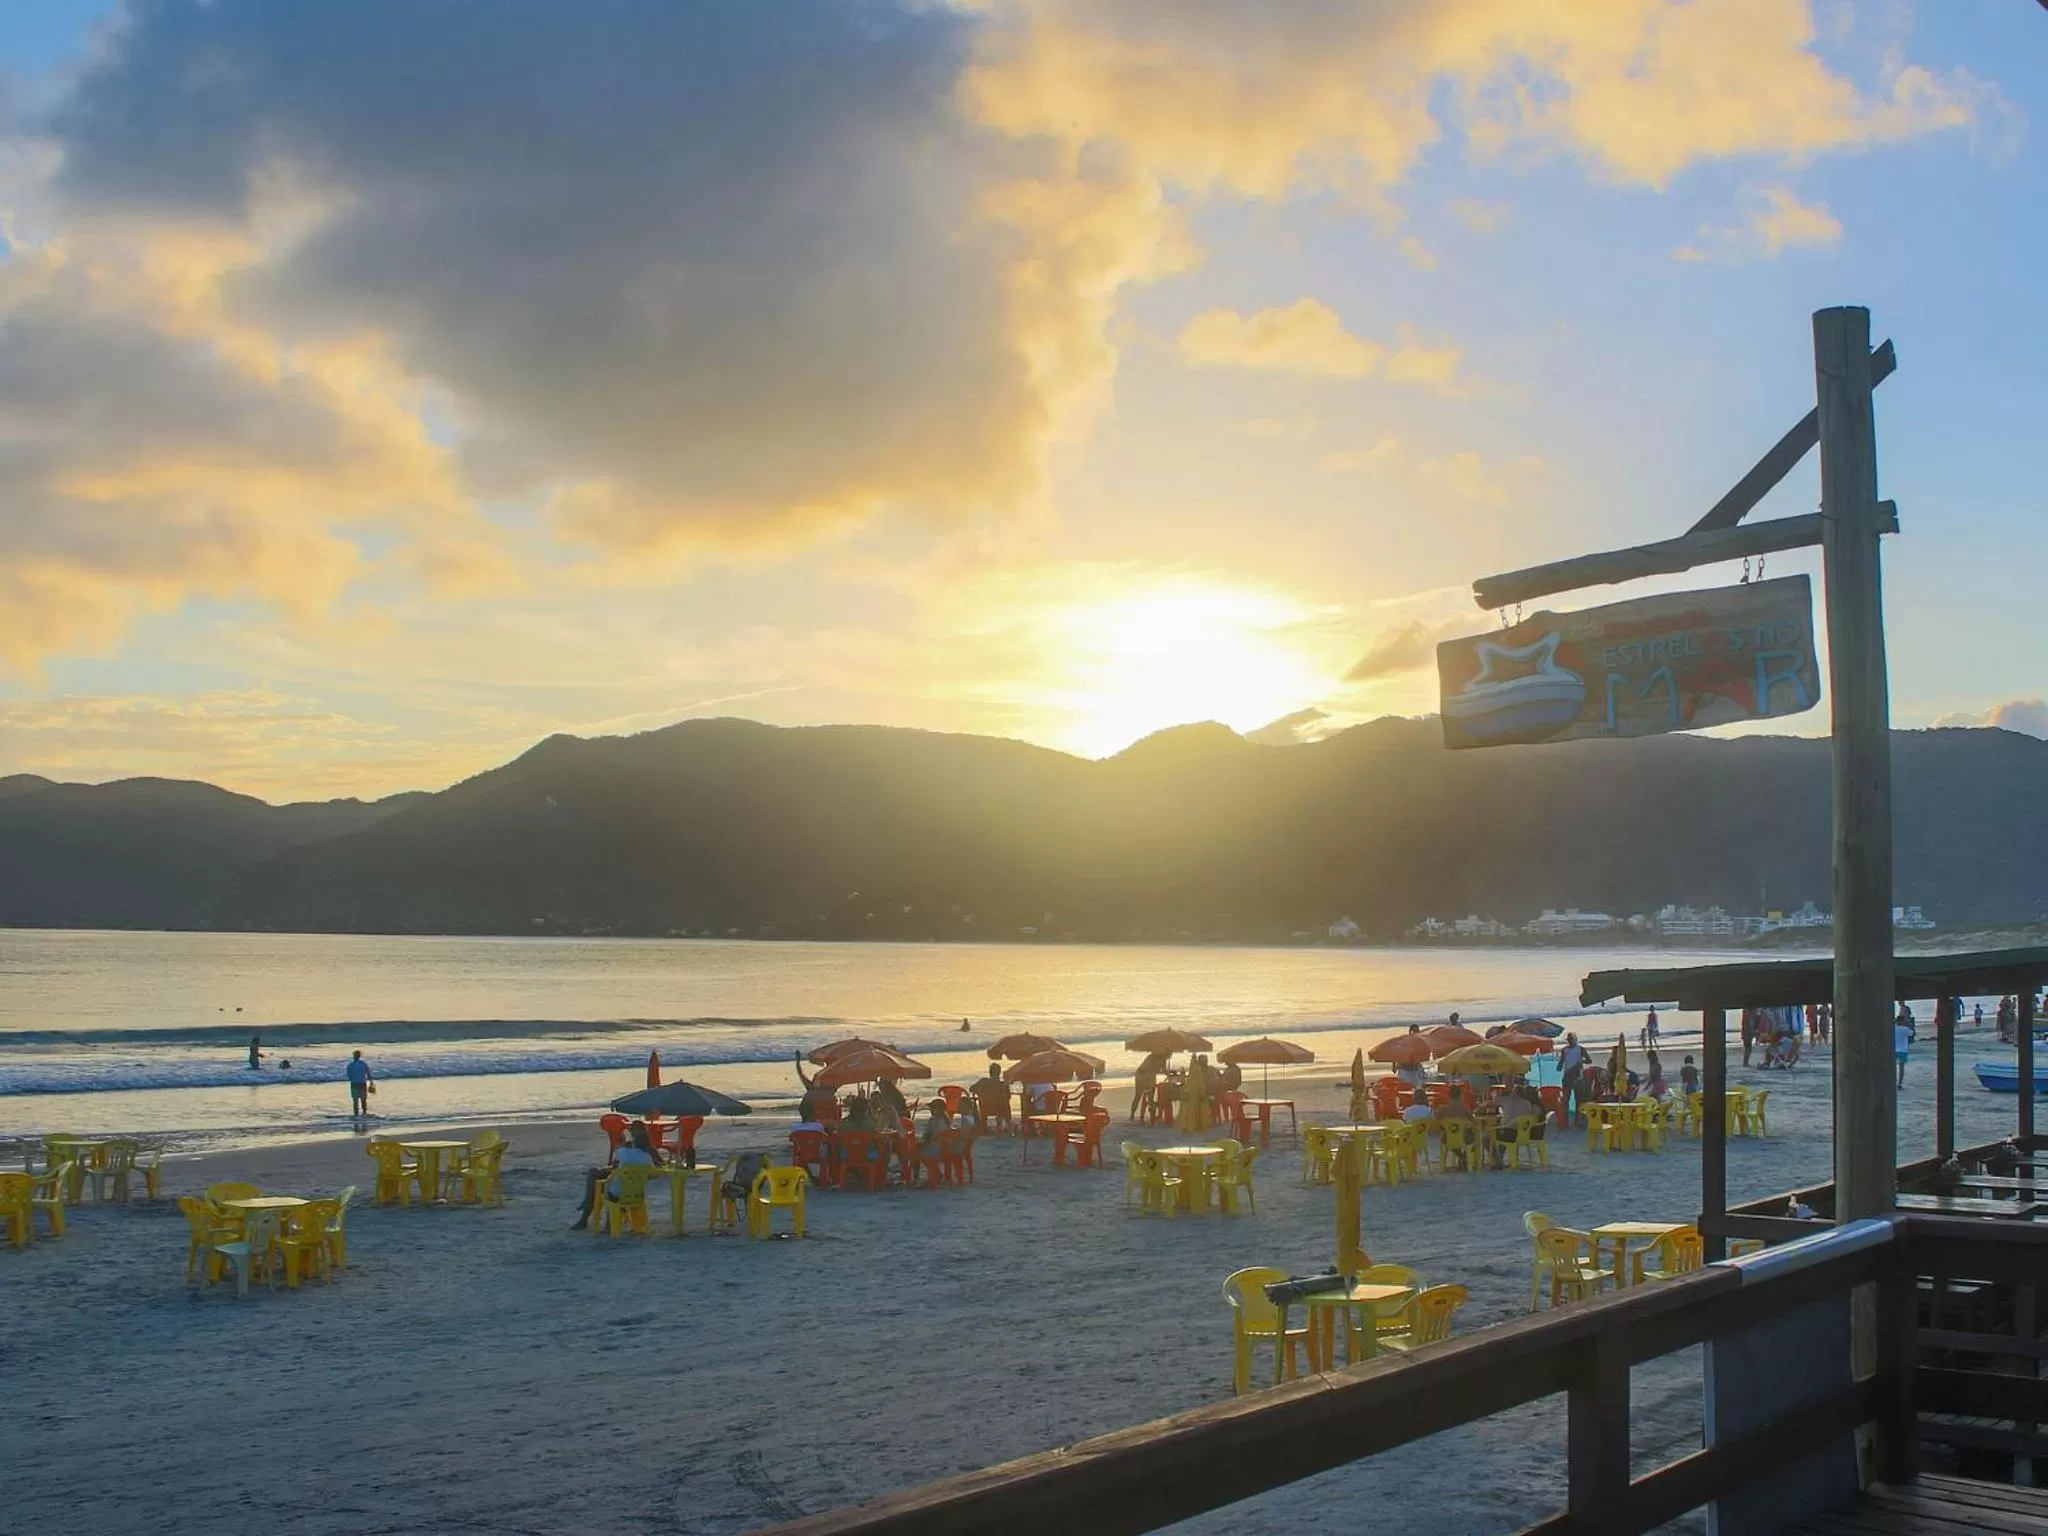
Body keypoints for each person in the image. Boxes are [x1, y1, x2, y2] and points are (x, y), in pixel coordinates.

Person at [571, 1120, 663, 1230]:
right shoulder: (646, 1155)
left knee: (596, 1182)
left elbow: (617, 1162)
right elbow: (654, 1171)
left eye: (633, 1130)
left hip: (619, 1185)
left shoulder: (627, 1150)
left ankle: (586, 1214)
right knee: (594, 1175)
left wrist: (620, 1148)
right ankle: (587, 1210)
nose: (632, 1133)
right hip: (636, 1191)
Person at [346, 1049, 375, 1124]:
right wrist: (371, 1082)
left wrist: (352, 1079)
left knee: (356, 1100)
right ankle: (363, 1114)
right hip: (361, 1083)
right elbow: (368, 1073)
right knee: (362, 1099)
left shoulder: (351, 1065)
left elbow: (348, 1075)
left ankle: (357, 1115)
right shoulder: (363, 1064)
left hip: (355, 1083)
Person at [1895, 1013, 1913, 1088]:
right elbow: (1912, 1034)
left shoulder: (1893, 1028)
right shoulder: (1906, 1029)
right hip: (1903, 1050)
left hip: (1894, 1050)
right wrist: (1909, 1024)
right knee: (1901, 1068)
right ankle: (1899, 1084)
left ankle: (1893, 1082)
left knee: (1893, 1068)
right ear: (1903, 1021)